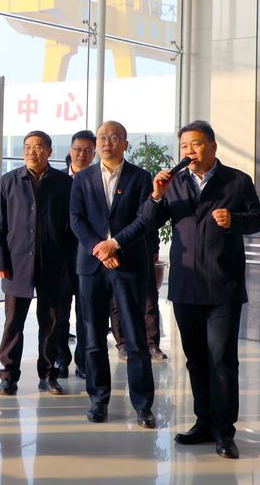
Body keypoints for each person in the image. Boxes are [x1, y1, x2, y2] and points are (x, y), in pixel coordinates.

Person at [144, 120, 260, 459]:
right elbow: (150, 221)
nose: (189, 151)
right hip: (186, 287)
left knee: (222, 360)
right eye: (184, 146)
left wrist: (235, 221)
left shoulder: (237, 180)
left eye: (196, 144)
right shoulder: (174, 183)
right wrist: (156, 196)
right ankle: (203, 422)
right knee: (196, 360)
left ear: (212, 146)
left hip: (223, 287)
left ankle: (225, 432)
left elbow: (259, 218)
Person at [69, 120, 156, 428]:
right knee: (93, 336)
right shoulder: (83, 178)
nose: (108, 142)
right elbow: (76, 218)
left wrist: (114, 245)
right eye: (103, 137)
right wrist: (99, 248)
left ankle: (143, 405)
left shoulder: (140, 177)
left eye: (114, 137)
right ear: (97, 143)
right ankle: (98, 400)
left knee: (135, 337)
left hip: (128, 263)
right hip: (92, 266)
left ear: (125, 144)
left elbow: (144, 219)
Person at [0, 130, 73, 396]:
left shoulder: (63, 183)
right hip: (16, 264)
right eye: (27, 146)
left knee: (51, 322)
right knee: (13, 322)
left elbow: (71, 226)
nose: (31, 151)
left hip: (53, 263)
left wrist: (67, 261)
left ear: (49, 151)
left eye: (38, 147)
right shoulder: (8, 181)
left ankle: (48, 375)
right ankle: (8, 375)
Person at [56, 130, 96, 380]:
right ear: (70, 151)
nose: (81, 154)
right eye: (77, 149)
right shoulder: (56, 180)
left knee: (86, 313)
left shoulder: (97, 180)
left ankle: (83, 361)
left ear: (93, 154)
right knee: (59, 312)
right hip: (60, 257)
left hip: (89, 255)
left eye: (87, 150)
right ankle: (61, 359)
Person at [109, 229, 168, 362]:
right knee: (116, 302)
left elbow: (150, 223)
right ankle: (122, 344)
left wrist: (155, 248)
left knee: (150, 299)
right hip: (116, 250)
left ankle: (152, 344)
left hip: (143, 247)